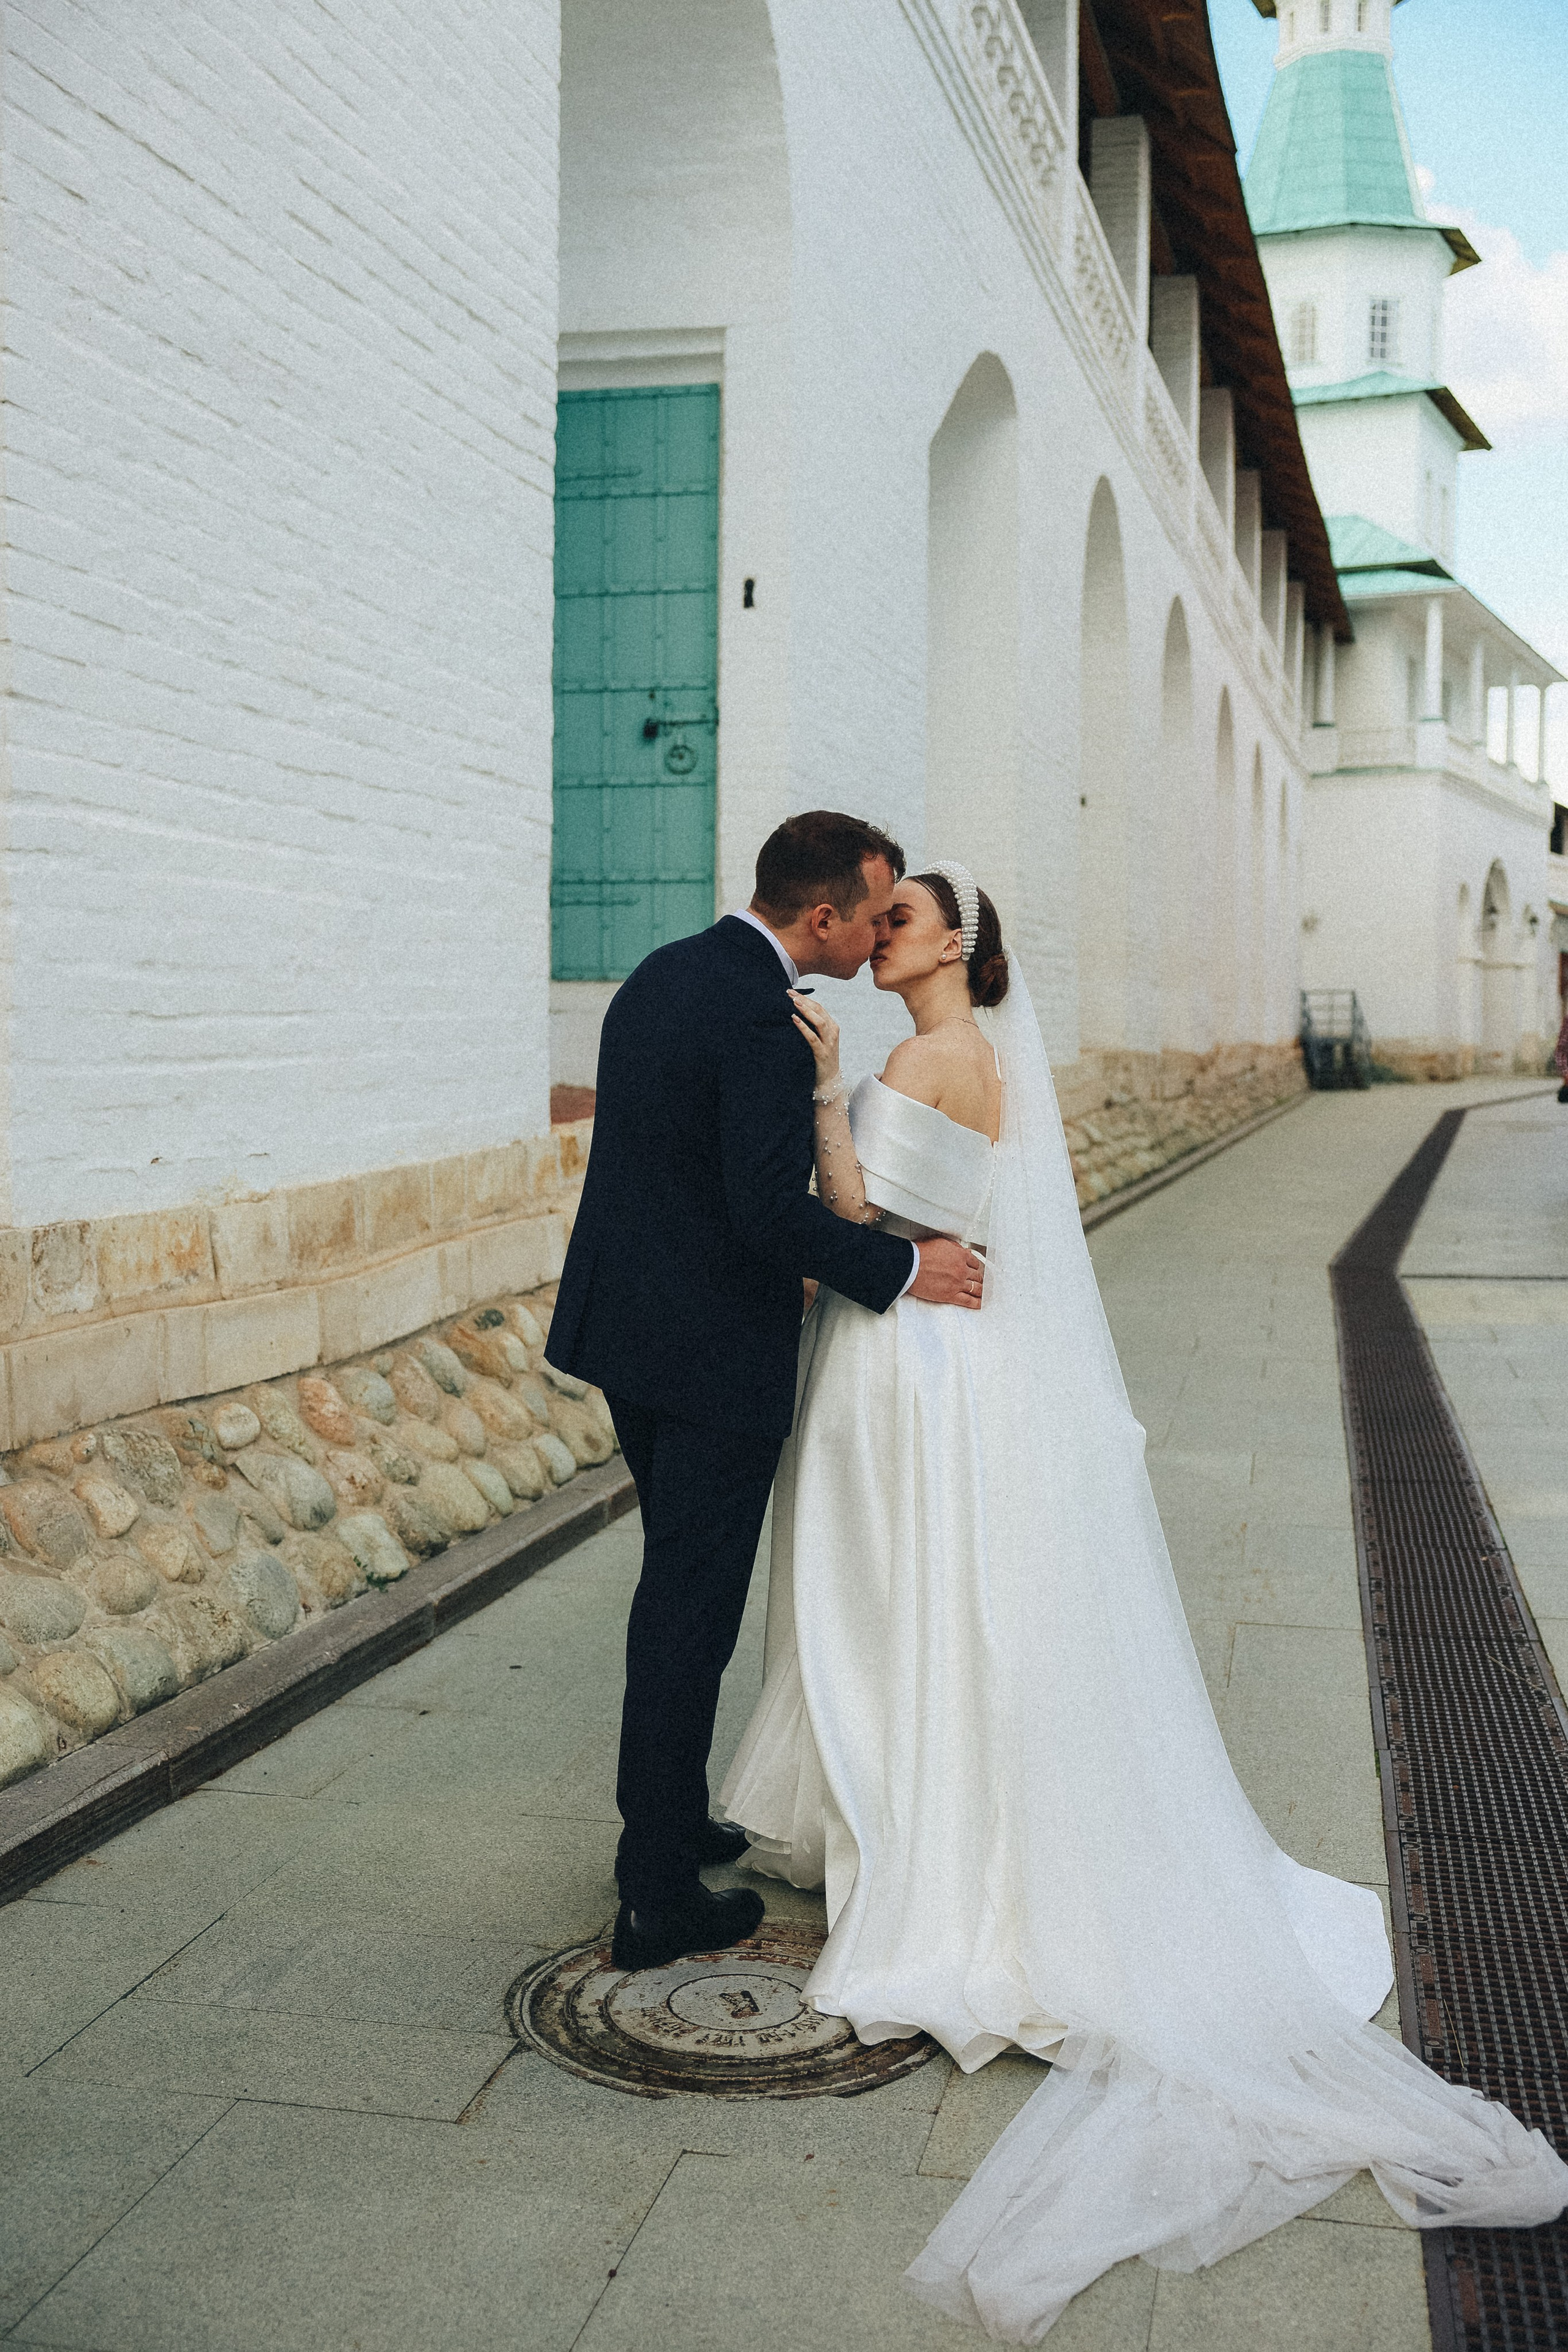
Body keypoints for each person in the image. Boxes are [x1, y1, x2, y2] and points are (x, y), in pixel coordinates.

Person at [721, 858, 1568, 2342]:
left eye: (902, 917)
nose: (880, 931)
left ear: (953, 943)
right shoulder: (974, 1054)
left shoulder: (927, 1056)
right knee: (919, 1607)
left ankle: (924, 1842)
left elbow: (862, 1218)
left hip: (905, 1363)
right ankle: (907, 1805)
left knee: (887, 1600)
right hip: (939, 1353)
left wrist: (816, 1096)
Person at [548, 813, 984, 1976]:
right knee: (688, 1614)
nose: (878, 934)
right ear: (823, 916)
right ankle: (655, 1893)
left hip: (627, 1335)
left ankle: (675, 1815)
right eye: (873, 914)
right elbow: (764, 1215)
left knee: (675, 1590)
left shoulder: (664, 971)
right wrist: (905, 1270)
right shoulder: (762, 1019)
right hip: (708, 1360)